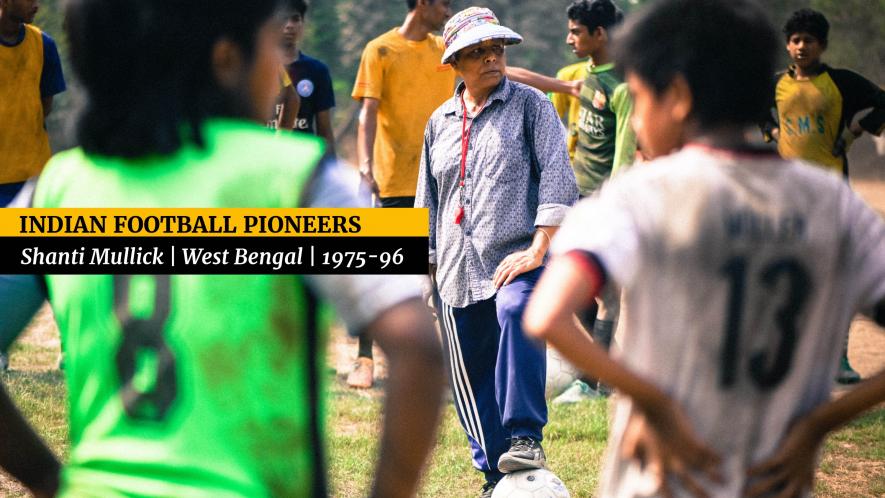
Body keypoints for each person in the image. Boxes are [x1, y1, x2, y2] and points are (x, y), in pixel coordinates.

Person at [0, 1, 446, 497]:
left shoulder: (57, 188)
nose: (280, 68)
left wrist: (46, 478)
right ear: (227, 59)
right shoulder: (299, 177)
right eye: (272, 46)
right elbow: (420, 347)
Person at [524, 1, 885, 497]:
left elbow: (545, 315)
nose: (634, 122)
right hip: (771, 482)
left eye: (640, 96)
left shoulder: (643, 195)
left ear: (675, 95)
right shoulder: (833, 205)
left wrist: (654, 403)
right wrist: (818, 425)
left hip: (658, 482)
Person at [416, 7, 578, 497]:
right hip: (454, 271)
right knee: (471, 377)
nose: (491, 59)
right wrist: (422, 276)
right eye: (478, 53)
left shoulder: (532, 106)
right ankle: (495, 478)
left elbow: (558, 177)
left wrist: (539, 247)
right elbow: (427, 200)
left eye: (497, 50)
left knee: (517, 311)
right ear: (454, 64)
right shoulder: (438, 122)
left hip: (517, 258)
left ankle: (526, 437)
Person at [761, 8, 885, 385]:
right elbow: (747, 109)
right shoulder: (775, 85)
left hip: (831, 193)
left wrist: (856, 129)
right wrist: (770, 133)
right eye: (795, 40)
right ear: (787, 44)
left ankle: (840, 359)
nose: (801, 47)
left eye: (809, 41)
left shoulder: (839, 82)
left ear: (822, 46)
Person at [348, 0, 454, 389]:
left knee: (439, 270)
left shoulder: (445, 50)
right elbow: (368, 113)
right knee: (384, 270)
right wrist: (365, 167)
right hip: (395, 180)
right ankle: (364, 359)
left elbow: (496, 71)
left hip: (441, 178)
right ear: (422, 3)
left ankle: (442, 360)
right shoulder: (380, 49)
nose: (448, 9)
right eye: (443, 2)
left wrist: (559, 87)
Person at [552, 0, 635, 405]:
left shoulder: (623, 86)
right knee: (579, 292)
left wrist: (612, 205)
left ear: (600, 34)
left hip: (604, 200)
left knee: (605, 294)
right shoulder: (582, 74)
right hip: (575, 197)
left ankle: (592, 383)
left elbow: (624, 151)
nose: (569, 39)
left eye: (576, 32)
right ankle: (610, 367)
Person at [0, 0, 65, 371]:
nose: (37, 4)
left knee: (54, 269)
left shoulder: (44, 45)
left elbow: (46, 106)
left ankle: (71, 347)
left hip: (32, 178)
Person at [280, 0, 336, 154]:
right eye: (283, 18)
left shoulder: (317, 70)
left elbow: (324, 129)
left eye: (295, 19)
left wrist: (330, 168)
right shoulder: (256, 69)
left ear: (303, 24)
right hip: (264, 163)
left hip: (303, 164)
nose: (289, 25)